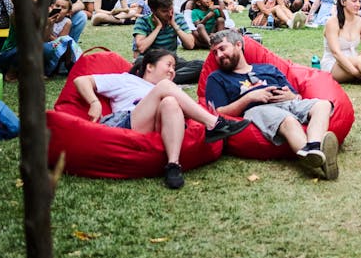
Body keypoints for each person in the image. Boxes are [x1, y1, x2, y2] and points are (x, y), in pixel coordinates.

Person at [74, 47, 250, 189]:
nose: (172, 70)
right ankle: (214, 123)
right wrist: (94, 102)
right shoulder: (127, 80)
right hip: (127, 123)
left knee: (170, 101)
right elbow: (81, 80)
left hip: (158, 124)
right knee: (166, 88)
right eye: (169, 65)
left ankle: (173, 165)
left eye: (174, 67)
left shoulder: (170, 90)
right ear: (149, 66)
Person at [205, 30, 340, 179]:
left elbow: (295, 94)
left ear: (238, 45)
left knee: (323, 105)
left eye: (222, 49)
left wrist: (292, 96)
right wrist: (249, 97)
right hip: (258, 109)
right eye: (215, 53)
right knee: (289, 121)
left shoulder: (268, 68)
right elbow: (219, 112)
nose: (219, 55)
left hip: (287, 103)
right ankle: (314, 158)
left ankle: (314, 147)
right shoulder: (216, 78)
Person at [131, 0, 203, 84]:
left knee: (200, 65)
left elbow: (190, 44)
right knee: (140, 62)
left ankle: (160, 79)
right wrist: (158, 27)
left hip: (171, 61)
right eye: (164, 11)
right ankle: (168, 79)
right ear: (153, 10)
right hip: (151, 61)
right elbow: (141, 47)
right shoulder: (143, 21)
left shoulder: (177, 18)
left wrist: (175, 26)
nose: (169, 14)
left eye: (170, 9)